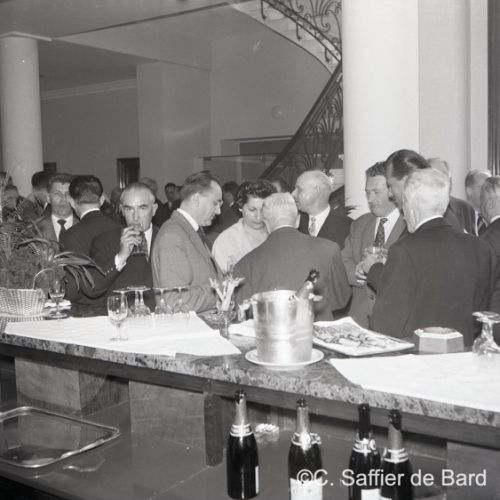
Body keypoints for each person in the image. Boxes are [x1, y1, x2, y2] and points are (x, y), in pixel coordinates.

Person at [370, 168, 496, 346]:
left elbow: (385, 325)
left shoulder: (404, 250)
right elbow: (483, 315)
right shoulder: (481, 248)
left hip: (418, 356)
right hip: (465, 354)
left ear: (409, 204)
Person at [234, 193, 351, 321]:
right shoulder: (329, 249)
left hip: (272, 331)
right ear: (298, 220)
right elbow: (341, 299)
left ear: (266, 223)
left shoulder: (245, 264)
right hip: (317, 329)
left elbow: (244, 313)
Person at [341, 162, 405, 327]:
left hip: (395, 321)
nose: (370, 199)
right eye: (367, 192)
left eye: (376, 192)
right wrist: (358, 274)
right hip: (359, 320)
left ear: (392, 190)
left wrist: (377, 271)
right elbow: (344, 262)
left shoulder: (409, 226)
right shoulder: (359, 224)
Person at [151, 170, 223, 312]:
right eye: (215, 203)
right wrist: (222, 291)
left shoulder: (190, 230)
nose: (218, 211)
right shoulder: (172, 235)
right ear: (196, 199)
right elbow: (175, 301)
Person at [87, 182, 159, 308]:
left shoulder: (166, 238)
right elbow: (92, 288)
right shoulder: (105, 241)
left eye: (142, 208)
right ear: (122, 210)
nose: (135, 217)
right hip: (122, 316)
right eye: (129, 209)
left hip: (160, 316)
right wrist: (120, 257)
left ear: (154, 209)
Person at [212, 180, 276, 273]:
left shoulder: (277, 232)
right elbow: (221, 278)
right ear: (240, 207)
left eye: (263, 209)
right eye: (252, 209)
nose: (259, 216)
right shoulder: (226, 241)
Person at [293, 170, 351, 249]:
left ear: (316, 191)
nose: (293, 194)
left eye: (299, 189)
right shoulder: (293, 223)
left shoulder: (348, 227)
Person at [428, 158, 476, 234]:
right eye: (434, 175)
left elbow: (473, 240)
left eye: (443, 174)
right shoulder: (419, 209)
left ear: (450, 181)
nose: (439, 179)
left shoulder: (466, 208)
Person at [34, 173, 76, 242]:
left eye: (68, 194)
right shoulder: (35, 228)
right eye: (57, 194)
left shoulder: (86, 226)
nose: (63, 198)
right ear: (48, 198)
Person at [465, 169, 491, 235]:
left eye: (490, 188)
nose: (488, 192)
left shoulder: (496, 218)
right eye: (482, 187)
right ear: (469, 191)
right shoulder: (458, 217)